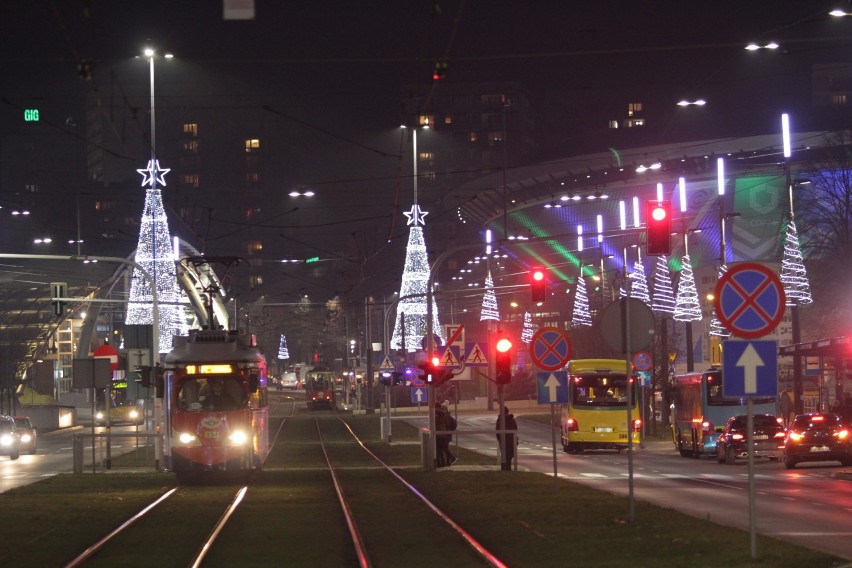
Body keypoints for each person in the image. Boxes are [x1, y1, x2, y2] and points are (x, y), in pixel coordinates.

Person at [495, 406, 518, 471]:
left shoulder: (500, 420)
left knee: (504, 455)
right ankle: (508, 468)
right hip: (511, 440)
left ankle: (504, 468)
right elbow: (515, 429)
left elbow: (497, 430)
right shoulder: (511, 419)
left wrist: (499, 439)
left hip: (504, 440)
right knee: (509, 455)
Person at [434, 403, 456, 467]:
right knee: (442, 448)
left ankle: (449, 459)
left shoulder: (442, 416)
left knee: (441, 448)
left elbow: (453, 424)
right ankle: (446, 462)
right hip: (444, 434)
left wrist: (450, 430)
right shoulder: (444, 415)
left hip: (443, 435)